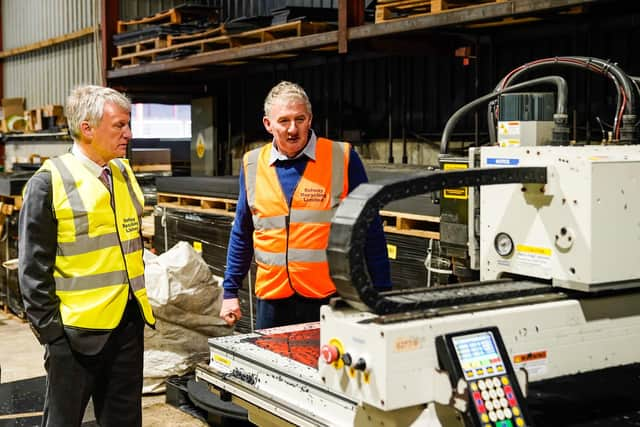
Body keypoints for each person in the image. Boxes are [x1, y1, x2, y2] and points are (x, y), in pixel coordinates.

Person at [18, 85, 155, 427]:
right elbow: (32, 271)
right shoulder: (49, 182)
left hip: (126, 327)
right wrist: (52, 336)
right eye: (119, 126)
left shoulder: (122, 172)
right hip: (75, 336)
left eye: (128, 125)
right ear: (87, 129)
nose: (128, 134)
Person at [220, 81, 391, 329]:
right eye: (284, 121)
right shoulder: (252, 164)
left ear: (310, 119)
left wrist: (382, 291)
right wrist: (229, 292)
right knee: (272, 367)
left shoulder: (341, 158)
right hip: (272, 300)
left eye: (299, 119)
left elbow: (370, 228)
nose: (293, 129)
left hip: (328, 298)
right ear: (268, 124)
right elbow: (243, 233)